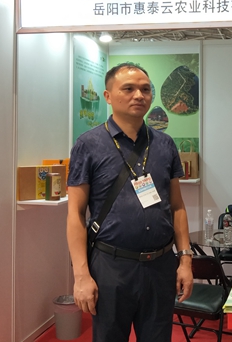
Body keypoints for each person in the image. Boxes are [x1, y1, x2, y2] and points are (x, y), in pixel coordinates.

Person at [66, 63, 193, 342]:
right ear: (108, 96)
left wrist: (185, 260)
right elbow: (75, 214)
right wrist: (81, 275)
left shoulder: (165, 144)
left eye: (145, 89)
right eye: (128, 88)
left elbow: (177, 207)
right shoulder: (88, 144)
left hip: (160, 266)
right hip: (111, 267)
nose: (139, 95)